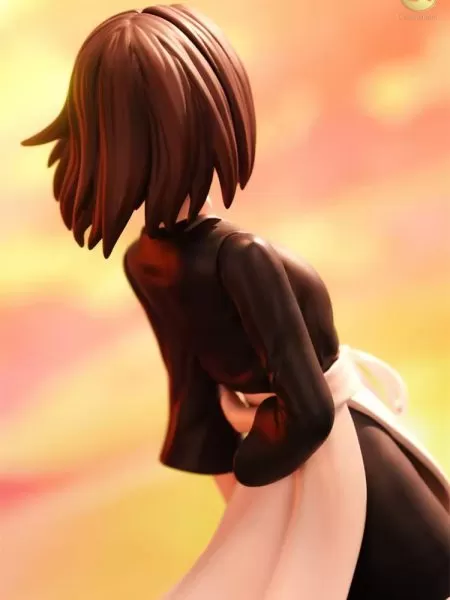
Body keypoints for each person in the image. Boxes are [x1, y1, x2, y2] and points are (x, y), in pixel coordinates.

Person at [21, 5, 450, 599]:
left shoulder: (143, 260)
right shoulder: (239, 256)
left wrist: (244, 483)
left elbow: (193, 403)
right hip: (337, 452)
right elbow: (308, 408)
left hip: (289, 453)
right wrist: (255, 478)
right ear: (203, 117)